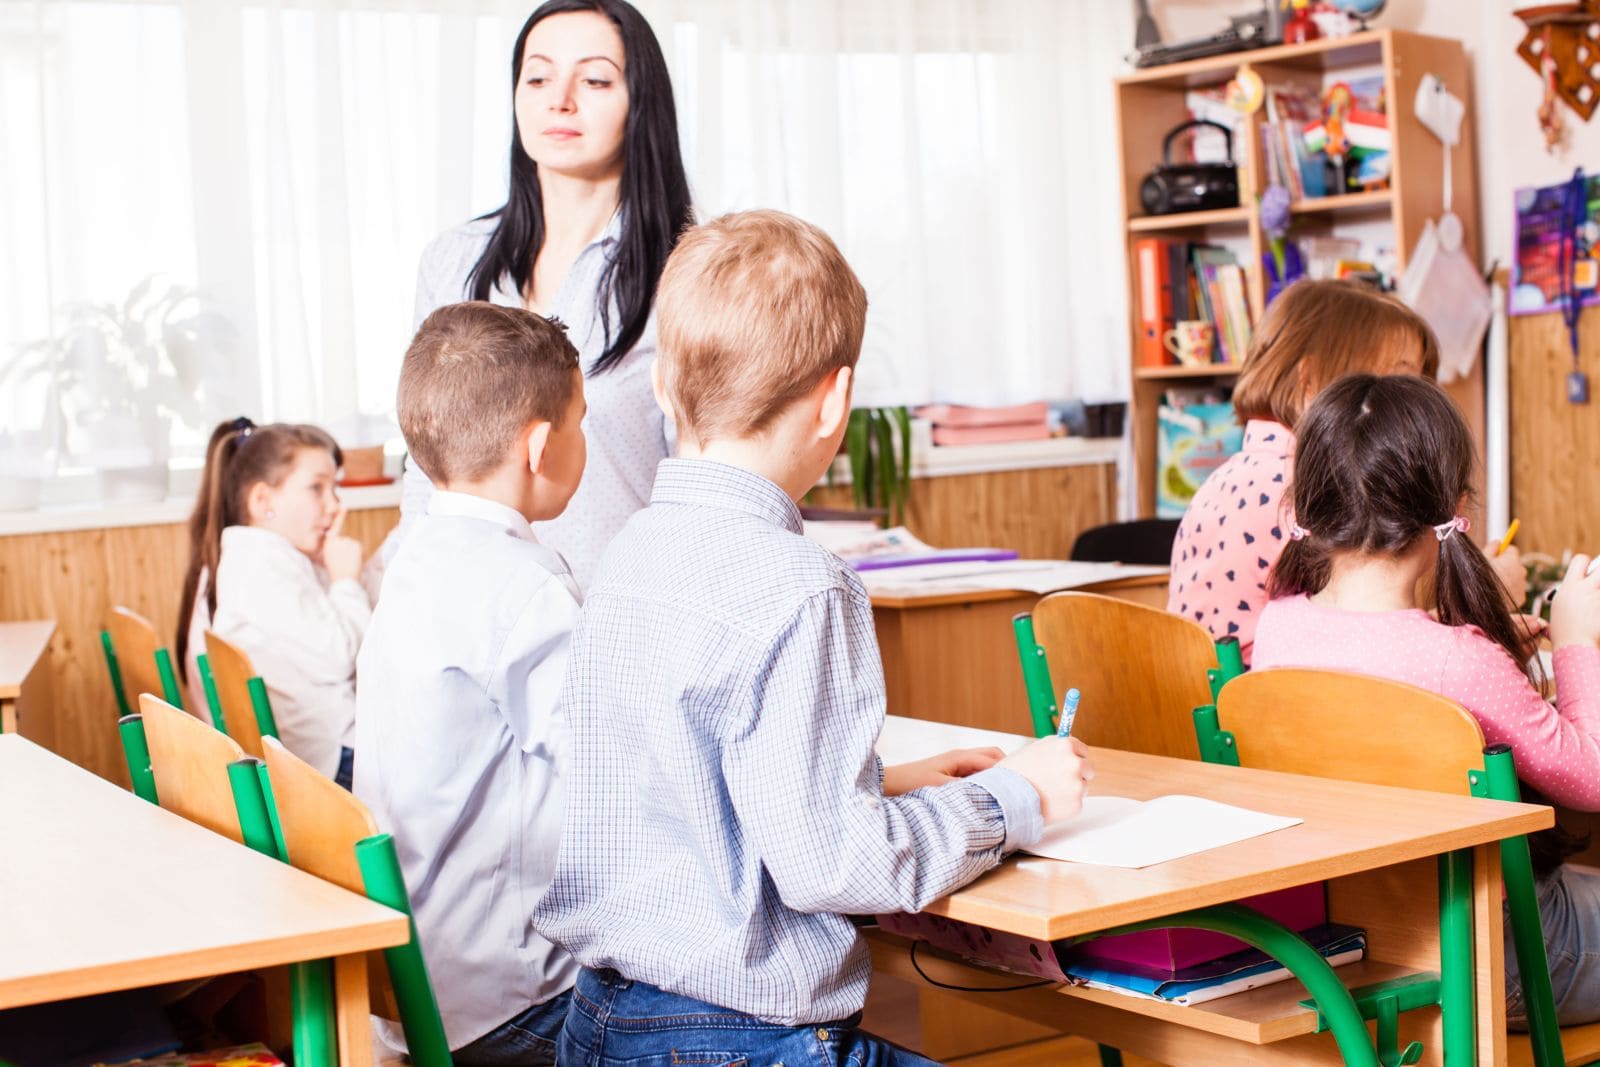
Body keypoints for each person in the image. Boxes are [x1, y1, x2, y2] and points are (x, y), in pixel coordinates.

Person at [533, 210, 1094, 1065]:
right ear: (835, 400)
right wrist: (1014, 801)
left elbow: (697, 783)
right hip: (738, 1040)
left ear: (659, 384)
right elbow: (833, 866)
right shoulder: (801, 584)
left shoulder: (627, 551)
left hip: (602, 1024)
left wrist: (884, 783)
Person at [1253, 373, 1600, 1027]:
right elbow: (1592, 776)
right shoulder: (1457, 656)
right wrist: (1579, 639)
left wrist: (1500, 661)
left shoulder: (1280, 625)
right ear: (1452, 502)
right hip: (1502, 960)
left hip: (1351, 947)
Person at [356, 302, 586, 1063]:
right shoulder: (522, 590)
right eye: (582, 422)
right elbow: (616, 768)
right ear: (541, 445)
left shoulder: (417, 560)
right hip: (515, 999)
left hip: (420, 980)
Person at [395, 0, 693, 587]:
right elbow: (422, 469)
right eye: (538, 76)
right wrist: (406, 600)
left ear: (640, 102)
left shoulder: (688, 270)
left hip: (618, 617)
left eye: (596, 78)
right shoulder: (453, 259)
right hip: (470, 613)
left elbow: (699, 486)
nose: (560, 99)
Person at [1166, 278, 1527, 663]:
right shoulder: (1308, 490)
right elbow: (1372, 652)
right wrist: (1486, 592)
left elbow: (1358, 631)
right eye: (1394, 380)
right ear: (1309, 381)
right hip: (1280, 712)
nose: (1411, 404)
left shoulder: (1228, 476)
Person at [177, 417, 368, 786]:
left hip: (317, 754)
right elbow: (341, 659)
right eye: (317, 488)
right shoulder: (259, 567)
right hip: (329, 762)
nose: (335, 506)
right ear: (263, 500)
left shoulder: (263, 556)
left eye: (336, 488)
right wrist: (345, 581)